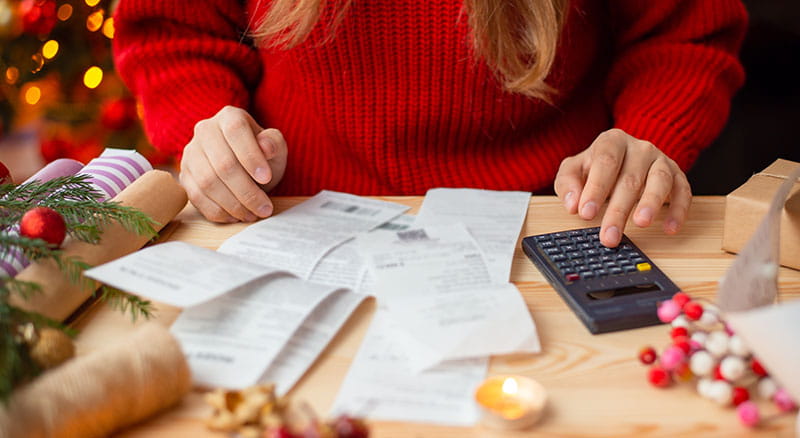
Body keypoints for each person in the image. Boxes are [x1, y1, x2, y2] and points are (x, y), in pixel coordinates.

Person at [112, 0, 747, 247]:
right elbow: (176, 32)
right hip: (293, 221)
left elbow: (684, 34)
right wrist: (208, 126)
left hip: (556, 224)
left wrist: (646, 136)